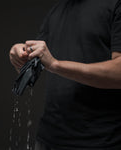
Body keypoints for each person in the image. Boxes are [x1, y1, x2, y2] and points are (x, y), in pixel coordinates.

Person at [9, 0, 121, 149]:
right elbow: (38, 61)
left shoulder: (115, 4)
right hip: (48, 139)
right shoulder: (57, 10)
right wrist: (21, 55)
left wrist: (56, 65)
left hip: (100, 141)